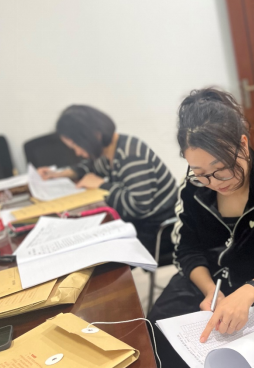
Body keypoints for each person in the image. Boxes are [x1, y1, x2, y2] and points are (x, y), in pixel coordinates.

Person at [147, 88, 254, 368]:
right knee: (156, 330)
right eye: (200, 172)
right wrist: (210, 290)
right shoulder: (192, 187)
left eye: (221, 169)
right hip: (206, 282)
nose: (213, 182)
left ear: (243, 145)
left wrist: (249, 291)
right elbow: (185, 250)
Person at [38, 105, 178, 257]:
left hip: (159, 231)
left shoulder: (131, 155)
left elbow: (139, 207)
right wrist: (59, 174)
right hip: (141, 224)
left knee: (95, 253)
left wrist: (101, 185)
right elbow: (90, 166)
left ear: (94, 135)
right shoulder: (108, 151)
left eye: (77, 146)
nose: (77, 152)